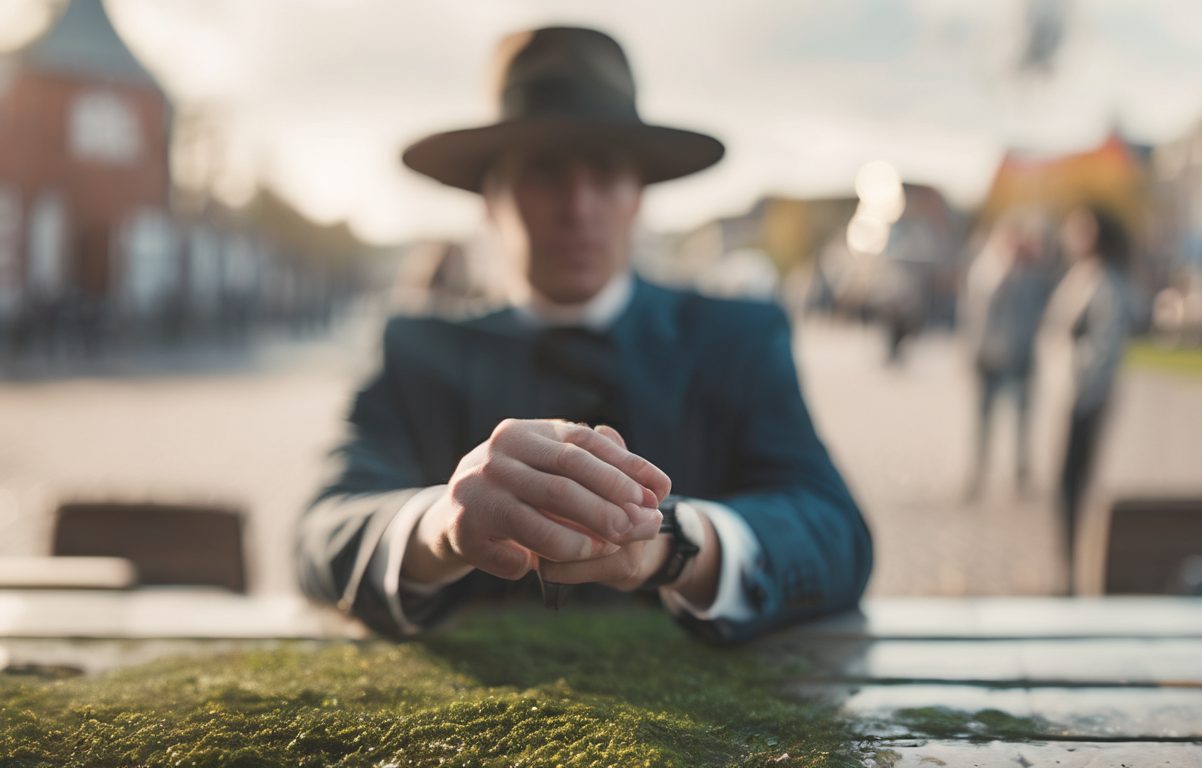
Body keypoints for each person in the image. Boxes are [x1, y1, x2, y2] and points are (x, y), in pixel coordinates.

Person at [294, 27, 872, 644]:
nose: (579, 206)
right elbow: (321, 532)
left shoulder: (736, 337)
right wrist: (442, 521)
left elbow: (834, 530)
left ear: (639, 195)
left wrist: (674, 545)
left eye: (605, 173)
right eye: (545, 174)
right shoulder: (412, 350)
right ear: (491, 197)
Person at [1040, 205, 1131, 569]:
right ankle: (1066, 557)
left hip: (1086, 396)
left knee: (1073, 480)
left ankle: (1073, 562)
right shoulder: (1079, 276)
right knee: (1063, 482)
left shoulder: (1107, 282)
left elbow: (1104, 347)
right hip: (1066, 392)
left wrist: (1077, 381)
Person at [961, 214, 1052, 499]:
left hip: (1019, 357)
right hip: (988, 357)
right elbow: (974, 312)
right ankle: (976, 475)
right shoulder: (986, 270)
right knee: (983, 421)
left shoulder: (1031, 275)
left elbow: (1043, 310)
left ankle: (1021, 476)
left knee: (1023, 421)